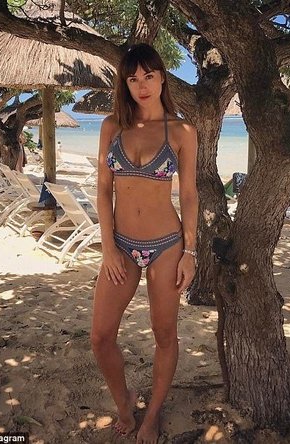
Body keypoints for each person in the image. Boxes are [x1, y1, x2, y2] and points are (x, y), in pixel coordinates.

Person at [91, 43, 198, 444]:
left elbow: (189, 195)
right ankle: (125, 404)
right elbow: (103, 190)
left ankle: (151, 415)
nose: (142, 85)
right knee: (100, 337)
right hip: (120, 244)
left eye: (149, 76)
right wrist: (107, 247)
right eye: (133, 78)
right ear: (125, 83)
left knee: (164, 333)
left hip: (167, 245)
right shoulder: (112, 126)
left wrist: (190, 251)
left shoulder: (182, 132)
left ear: (162, 78)